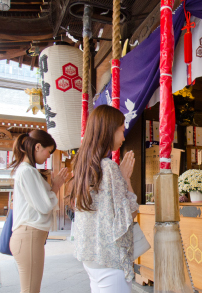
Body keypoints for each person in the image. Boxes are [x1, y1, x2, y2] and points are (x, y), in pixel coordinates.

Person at [70, 105, 138, 293]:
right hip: (110, 259)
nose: (124, 138)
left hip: (91, 256)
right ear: (109, 130)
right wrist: (125, 179)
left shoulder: (84, 166)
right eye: (121, 131)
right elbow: (129, 213)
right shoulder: (108, 167)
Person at [9, 130, 69, 293]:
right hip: (29, 235)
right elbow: (43, 206)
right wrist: (55, 187)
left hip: (30, 236)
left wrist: (54, 187)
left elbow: (41, 202)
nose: (48, 157)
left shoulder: (28, 170)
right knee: (30, 290)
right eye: (48, 152)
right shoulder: (27, 171)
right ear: (37, 147)